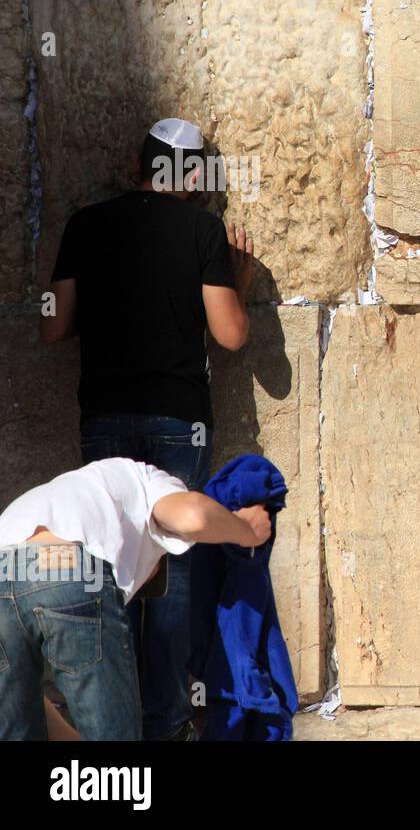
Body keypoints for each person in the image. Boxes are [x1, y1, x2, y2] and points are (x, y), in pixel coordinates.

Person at [38, 117, 256, 740]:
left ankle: (107, 718)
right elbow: (232, 335)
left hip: (104, 417)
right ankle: (165, 720)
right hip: (177, 421)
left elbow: (52, 325)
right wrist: (236, 282)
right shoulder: (201, 231)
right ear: (187, 175)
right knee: (172, 565)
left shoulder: (85, 225)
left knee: (104, 566)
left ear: (139, 166)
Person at [0, 458, 272, 740]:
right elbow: (194, 517)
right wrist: (246, 530)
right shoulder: (141, 477)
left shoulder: (62, 494)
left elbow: (31, 703)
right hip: (71, 565)